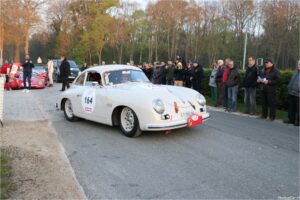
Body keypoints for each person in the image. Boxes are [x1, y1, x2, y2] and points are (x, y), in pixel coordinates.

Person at [283, 60, 300, 126]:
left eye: (299, 64)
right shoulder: (295, 72)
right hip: (291, 93)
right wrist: (289, 88)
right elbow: (291, 81)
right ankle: (291, 120)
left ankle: (299, 121)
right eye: (298, 64)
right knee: (291, 107)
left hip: (298, 94)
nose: (298, 65)